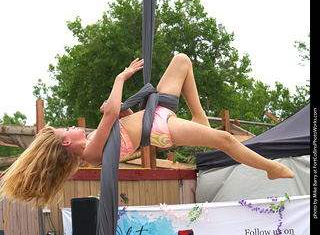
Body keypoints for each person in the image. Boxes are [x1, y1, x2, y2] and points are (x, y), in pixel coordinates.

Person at [0, 54, 294, 208]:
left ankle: (199, 116)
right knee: (225, 139)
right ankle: (269, 168)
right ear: (66, 142)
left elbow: (123, 118)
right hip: (159, 128)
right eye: (68, 128)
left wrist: (124, 109)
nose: (75, 126)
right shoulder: (90, 152)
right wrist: (121, 78)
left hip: (154, 114)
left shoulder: (93, 141)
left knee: (181, 61)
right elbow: (116, 114)